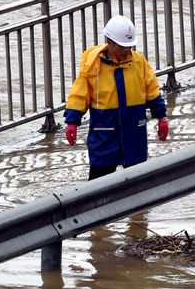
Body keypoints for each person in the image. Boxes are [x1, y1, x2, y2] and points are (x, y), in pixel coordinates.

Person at [64, 15, 168, 180]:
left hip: (134, 133)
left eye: (129, 45)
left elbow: (152, 90)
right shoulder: (92, 66)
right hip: (104, 136)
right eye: (122, 46)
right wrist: (71, 122)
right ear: (109, 41)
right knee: (98, 187)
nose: (127, 50)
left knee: (138, 183)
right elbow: (79, 94)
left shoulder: (139, 62)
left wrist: (162, 116)